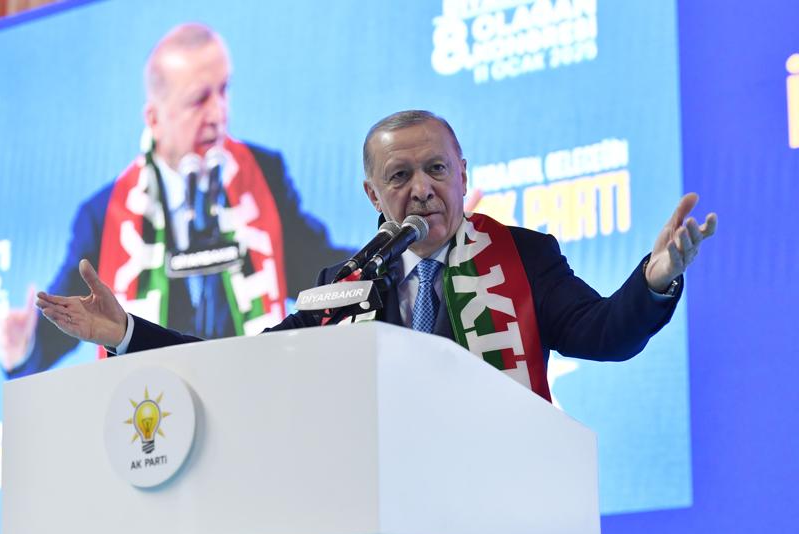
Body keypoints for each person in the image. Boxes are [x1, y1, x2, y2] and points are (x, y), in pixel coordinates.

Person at [36, 109, 717, 402]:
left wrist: (656, 279)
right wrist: (126, 334)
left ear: (463, 176)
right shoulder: (345, 285)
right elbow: (245, 363)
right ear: (373, 194)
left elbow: (604, 334)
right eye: (400, 176)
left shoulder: (522, 256)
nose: (421, 189)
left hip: (509, 526)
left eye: (436, 170)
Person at [0, 23, 350, 379]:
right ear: (154, 119)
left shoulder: (264, 173)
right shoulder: (103, 213)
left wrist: (377, 264)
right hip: (158, 396)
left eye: (223, 91)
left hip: (254, 383)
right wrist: (23, 348)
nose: (218, 114)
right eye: (199, 100)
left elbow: (311, 265)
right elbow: (77, 316)